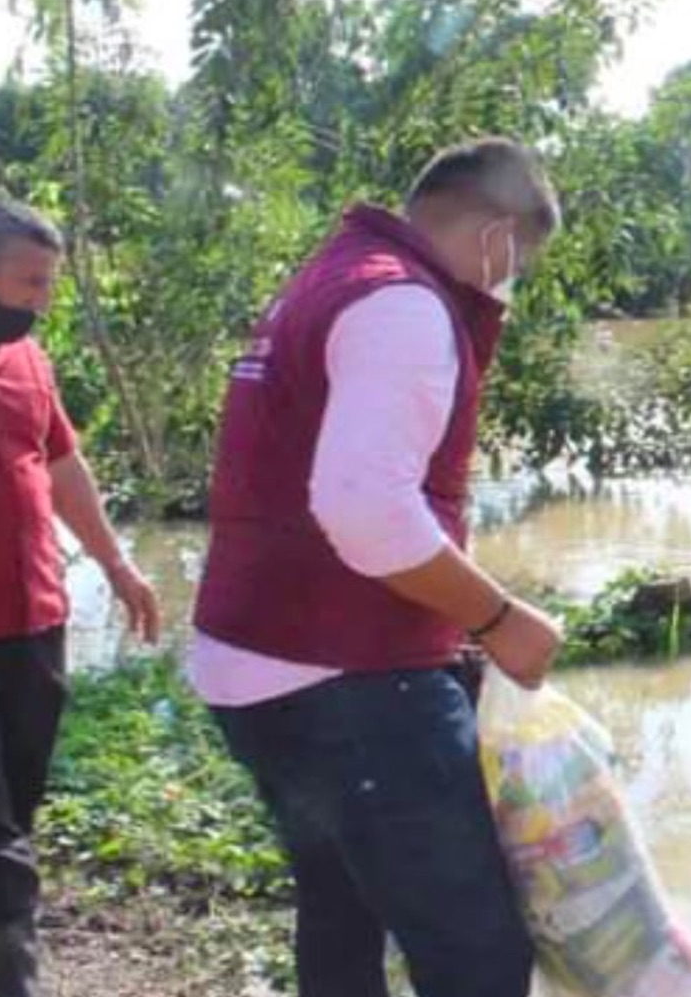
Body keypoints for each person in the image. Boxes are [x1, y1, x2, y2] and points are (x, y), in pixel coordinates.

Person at [190, 138, 565, 997]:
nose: (512, 282)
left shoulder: (332, 277)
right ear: (498, 236)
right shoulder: (402, 307)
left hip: (257, 663)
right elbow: (365, 512)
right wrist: (501, 621)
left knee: (342, 915)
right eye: (521, 263)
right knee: (474, 954)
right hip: (349, 683)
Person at [0, 200, 161, 997]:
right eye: (30, 282)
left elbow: (60, 467)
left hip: (33, 625)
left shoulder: (29, 363)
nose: (42, 299)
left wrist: (118, 565)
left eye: (50, 283)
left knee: (12, 815)